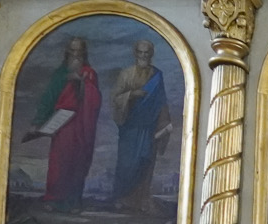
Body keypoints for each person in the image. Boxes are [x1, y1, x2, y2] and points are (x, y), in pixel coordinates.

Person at [24, 35, 101, 211]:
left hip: (82, 125)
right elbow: (48, 98)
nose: (76, 55)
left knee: (78, 162)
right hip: (63, 126)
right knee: (60, 162)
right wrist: (37, 122)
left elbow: (95, 99)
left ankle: (73, 202)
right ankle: (55, 199)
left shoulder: (89, 73)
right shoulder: (60, 75)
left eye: (79, 51)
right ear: (67, 52)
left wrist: (81, 83)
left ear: (84, 53)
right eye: (72, 51)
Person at [108, 40, 170, 213]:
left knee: (145, 161)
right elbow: (115, 98)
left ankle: (139, 199)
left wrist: (164, 123)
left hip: (149, 126)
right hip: (130, 126)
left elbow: (161, 101)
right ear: (136, 53)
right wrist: (132, 94)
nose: (143, 56)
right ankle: (121, 198)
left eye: (146, 53)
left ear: (151, 54)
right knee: (127, 163)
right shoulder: (126, 74)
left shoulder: (157, 75)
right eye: (141, 52)